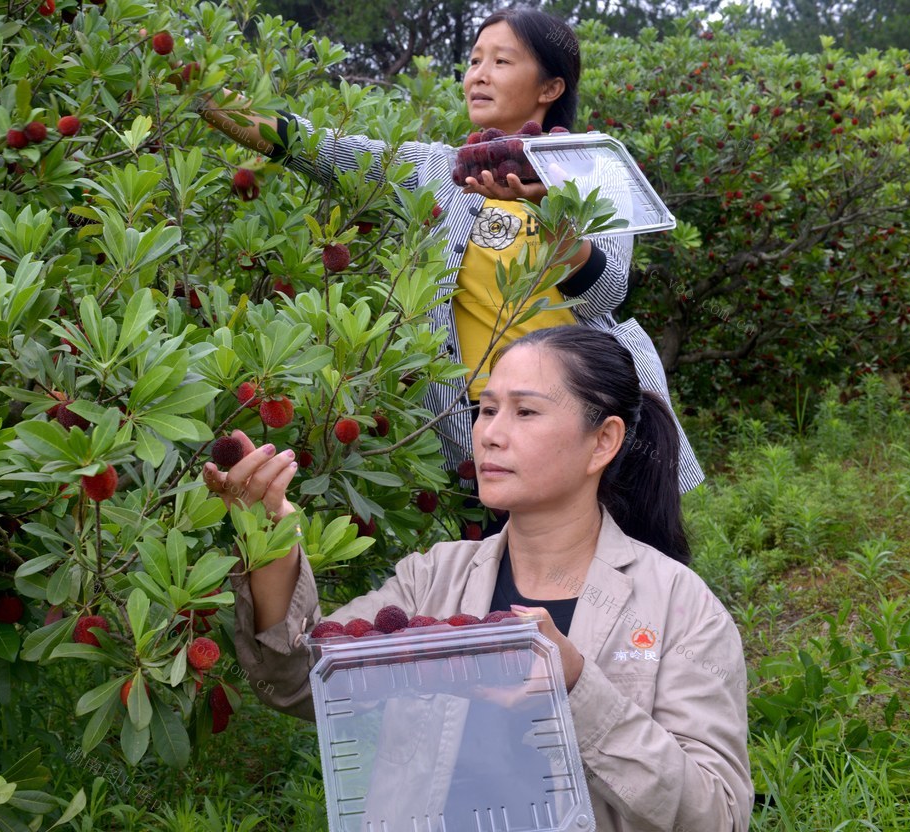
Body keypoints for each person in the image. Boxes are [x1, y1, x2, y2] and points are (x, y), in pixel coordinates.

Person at [203, 325, 752, 832]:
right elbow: (303, 680)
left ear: (603, 441)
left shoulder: (678, 608)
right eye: (486, 410)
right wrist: (272, 542)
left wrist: (578, 687)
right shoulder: (433, 579)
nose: (490, 434)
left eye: (525, 412)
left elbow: (717, 815)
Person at [195, 7, 705, 494]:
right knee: (504, 574)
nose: (479, 75)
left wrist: (553, 220)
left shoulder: (591, 167)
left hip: (583, 417)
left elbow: (606, 295)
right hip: (482, 426)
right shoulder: (439, 170)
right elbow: (321, 150)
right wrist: (204, 95)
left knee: (619, 564)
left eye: (502, 62)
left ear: (550, 88)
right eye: (475, 60)